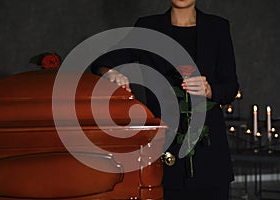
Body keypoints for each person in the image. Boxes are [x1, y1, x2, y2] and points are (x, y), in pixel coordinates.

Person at [91, 0, 239, 199]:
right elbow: (103, 62)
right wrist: (109, 73)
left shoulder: (218, 27)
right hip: (164, 146)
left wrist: (210, 90)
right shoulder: (148, 27)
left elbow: (231, 87)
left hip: (210, 152)